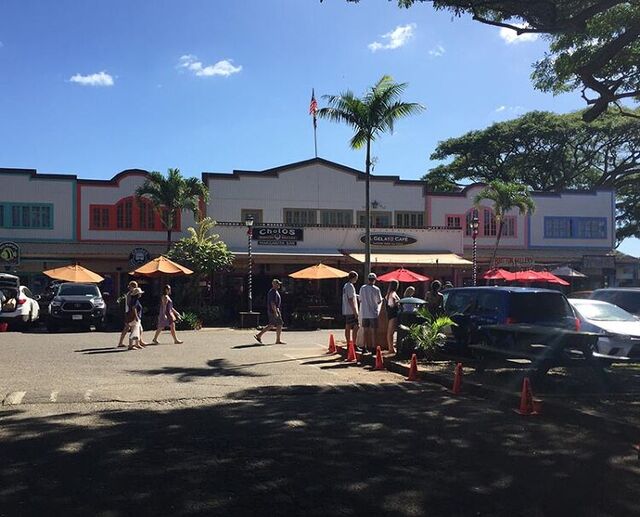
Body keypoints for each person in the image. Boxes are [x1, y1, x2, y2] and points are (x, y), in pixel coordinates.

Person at [254, 279, 284, 344]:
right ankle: (259, 335)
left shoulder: (275, 291)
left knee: (278, 324)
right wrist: (275, 312)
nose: (279, 285)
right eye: (278, 284)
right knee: (272, 324)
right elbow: (272, 303)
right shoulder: (273, 292)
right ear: (274, 284)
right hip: (273, 311)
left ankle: (277, 340)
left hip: (275, 310)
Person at [359, 272, 382, 354]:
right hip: (373, 313)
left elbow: (360, 299)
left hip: (365, 313)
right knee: (374, 332)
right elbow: (379, 301)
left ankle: (364, 347)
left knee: (365, 331)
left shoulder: (362, 288)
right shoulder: (376, 289)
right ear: (374, 280)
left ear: (368, 279)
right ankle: (373, 348)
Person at [118, 280, 141, 348]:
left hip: (130, 313)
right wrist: (133, 313)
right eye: (134, 286)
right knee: (129, 328)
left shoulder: (132, 294)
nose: (135, 288)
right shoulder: (129, 294)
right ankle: (123, 343)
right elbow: (130, 304)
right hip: (129, 313)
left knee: (133, 328)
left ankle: (137, 342)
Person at [342, 271, 359, 345]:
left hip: (347, 309)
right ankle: (354, 343)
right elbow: (350, 299)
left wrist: (358, 296)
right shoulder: (350, 286)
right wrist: (355, 312)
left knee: (348, 326)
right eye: (356, 278)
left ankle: (348, 343)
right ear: (353, 277)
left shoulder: (346, 285)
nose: (356, 280)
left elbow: (352, 295)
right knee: (356, 326)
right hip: (351, 310)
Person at [384, 279, 401, 354]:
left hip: (390, 314)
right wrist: (397, 303)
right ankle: (391, 348)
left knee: (390, 332)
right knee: (391, 332)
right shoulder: (393, 293)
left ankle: (391, 348)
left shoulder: (388, 293)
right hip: (394, 313)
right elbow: (393, 302)